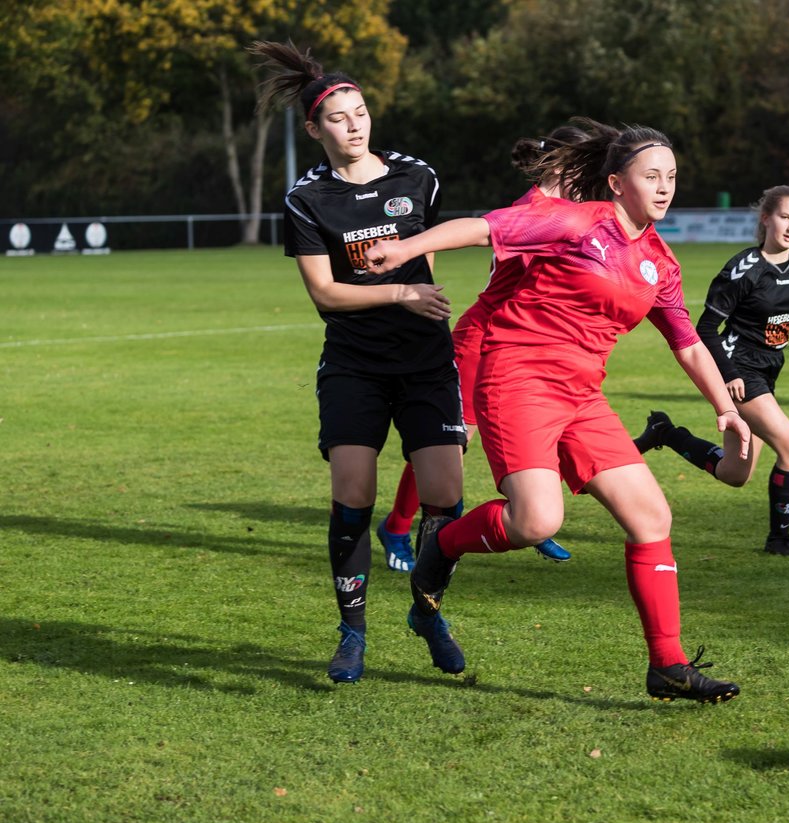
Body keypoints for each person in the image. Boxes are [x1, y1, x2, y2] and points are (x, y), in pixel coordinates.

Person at [366, 122, 749, 704]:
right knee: (537, 523)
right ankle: (439, 548)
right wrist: (406, 248)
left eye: (672, 176)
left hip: (582, 396)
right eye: (652, 177)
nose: (666, 187)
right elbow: (484, 226)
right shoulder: (576, 220)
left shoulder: (659, 260)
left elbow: (687, 342)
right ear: (617, 183)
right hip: (517, 377)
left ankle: (668, 666)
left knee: (652, 518)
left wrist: (726, 408)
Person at [250, 40, 466, 683]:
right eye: (339, 118)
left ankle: (427, 611)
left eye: (362, 112)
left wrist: (422, 288)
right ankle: (351, 632)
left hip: (426, 361)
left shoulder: (415, 177)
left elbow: (434, 250)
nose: (355, 125)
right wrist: (401, 289)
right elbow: (325, 292)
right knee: (353, 492)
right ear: (315, 129)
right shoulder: (307, 199)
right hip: (354, 363)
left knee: (445, 498)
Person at [375, 130, 591, 573]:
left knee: (532, 424)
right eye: (584, 167)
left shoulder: (571, 213)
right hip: (486, 338)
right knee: (451, 442)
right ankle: (396, 528)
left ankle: (534, 519)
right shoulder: (532, 212)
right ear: (558, 166)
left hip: (522, 342)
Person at [632, 186, 789, 556]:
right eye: (785, 216)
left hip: (766, 373)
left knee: (735, 474)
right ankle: (779, 540)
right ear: (766, 218)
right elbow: (704, 328)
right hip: (738, 372)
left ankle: (666, 433)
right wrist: (729, 373)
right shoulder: (743, 270)